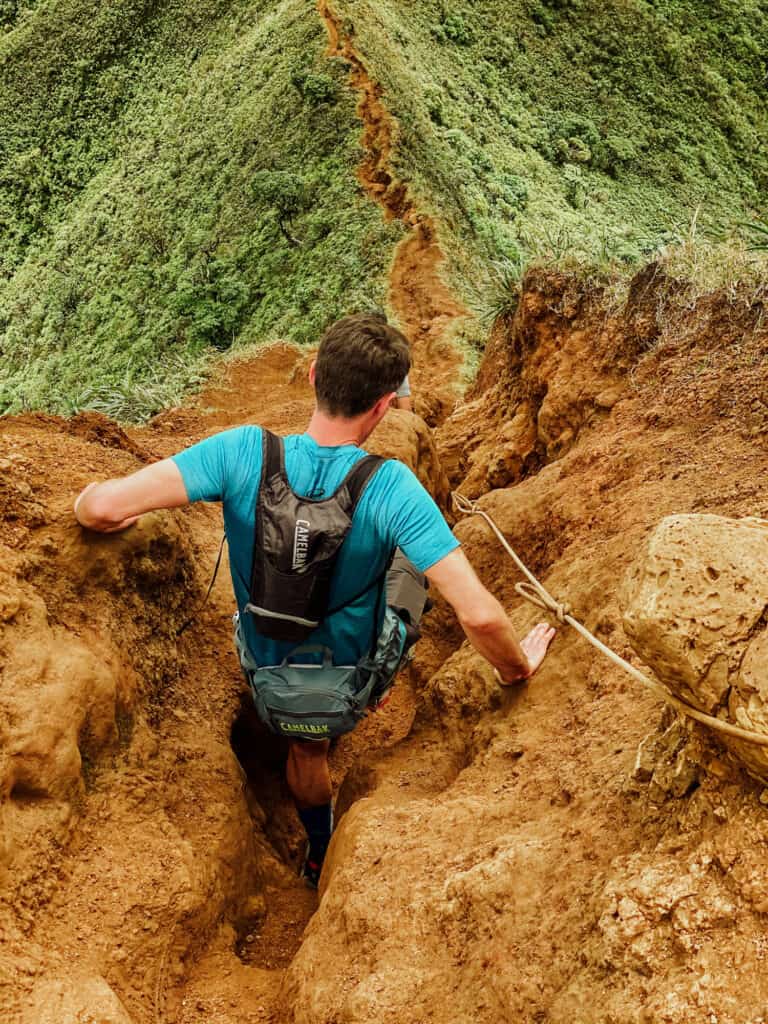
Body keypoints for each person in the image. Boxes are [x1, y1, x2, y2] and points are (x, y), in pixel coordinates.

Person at [73, 313, 555, 887]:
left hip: (267, 680)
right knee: (409, 564)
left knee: (306, 752)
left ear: (312, 375)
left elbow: (100, 509)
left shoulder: (241, 452)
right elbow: (477, 613)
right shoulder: (393, 485)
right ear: (382, 407)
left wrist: (86, 500)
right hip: (355, 685)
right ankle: (347, 727)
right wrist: (516, 669)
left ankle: (319, 845)